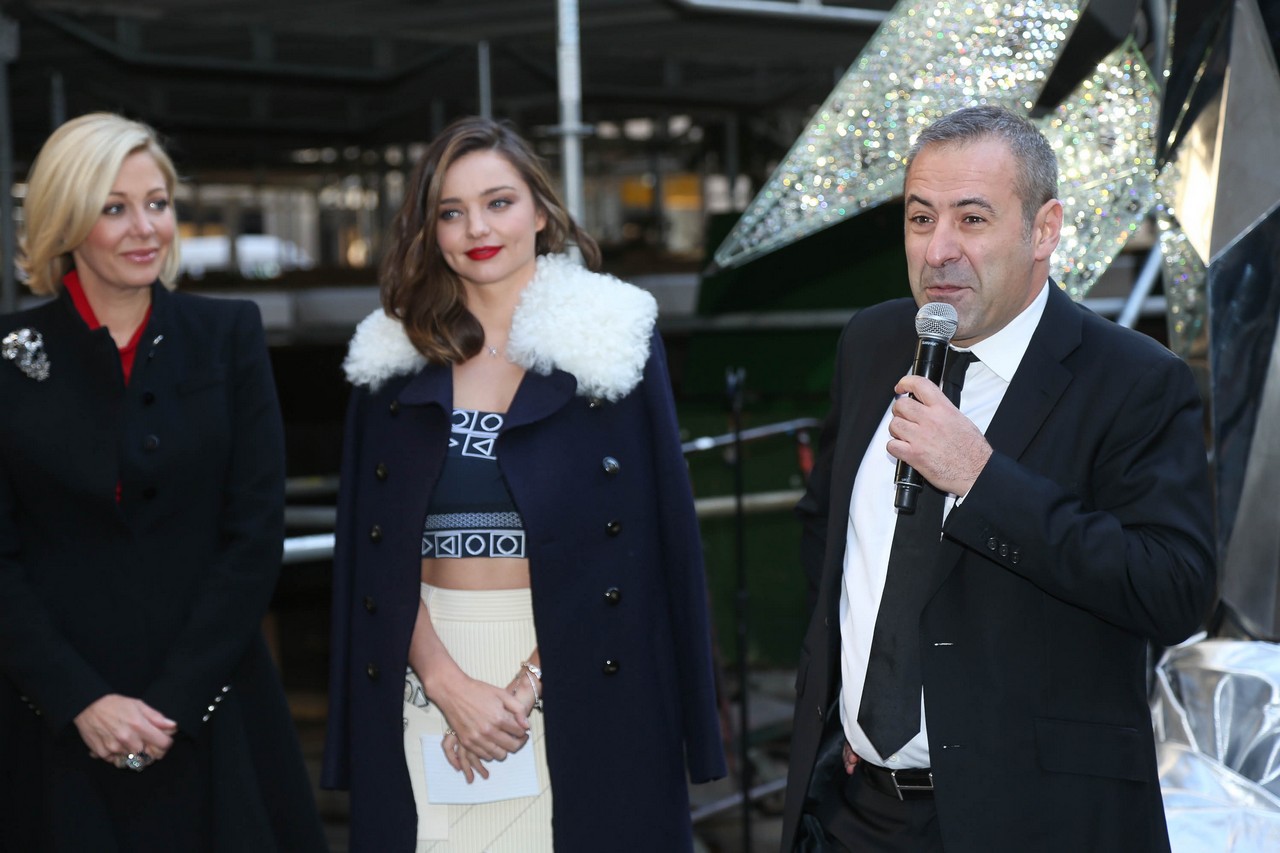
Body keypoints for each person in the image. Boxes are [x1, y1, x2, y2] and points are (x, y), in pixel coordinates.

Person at [780, 105, 1216, 852]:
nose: (939, 250)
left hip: (1034, 817)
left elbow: (1175, 590)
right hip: (855, 809)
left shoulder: (1134, 379)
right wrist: (842, 709)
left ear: (1043, 229)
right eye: (920, 218)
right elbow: (830, 536)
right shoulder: (875, 339)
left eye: (972, 219)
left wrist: (981, 480)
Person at [321, 116, 726, 852]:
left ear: (540, 210)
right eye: (451, 210)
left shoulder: (612, 342)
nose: (477, 226)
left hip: (577, 673)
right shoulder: (390, 360)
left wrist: (522, 688)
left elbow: (655, 540)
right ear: (429, 229)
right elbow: (368, 557)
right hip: (428, 675)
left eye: (498, 202)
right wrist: (447, 683)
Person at [0, 113, 327, 852]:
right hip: (53, 723)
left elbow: (254, 536)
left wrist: (173, 701)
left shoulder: (229, 335)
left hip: (215, 710)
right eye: (115, 207)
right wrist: (79, 699)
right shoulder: (8, 359)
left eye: (158, 202)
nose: (145, 227)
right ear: (66, 221)